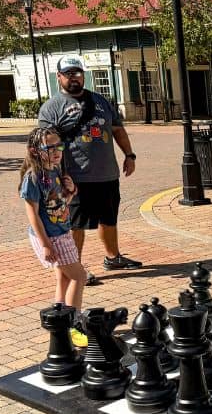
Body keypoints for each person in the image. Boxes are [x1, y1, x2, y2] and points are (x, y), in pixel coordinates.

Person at [39, 55, 141, 285]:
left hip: (107, 174)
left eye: (77, 73)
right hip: (75, 178)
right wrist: (56, 176)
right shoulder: (51, 108)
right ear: (59, 77)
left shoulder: (101, 101)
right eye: (68, 74)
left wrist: (129, 155)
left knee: (109, 218)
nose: (73, 78)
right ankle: (76, 268)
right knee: (75, 224)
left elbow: (118, 130)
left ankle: (113, 257)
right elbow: (46, 145)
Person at [19, 127, 87, 348]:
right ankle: (74, 323)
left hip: (61, 231)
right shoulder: (33, 177)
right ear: (35, 150)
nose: (57, 151)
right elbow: (33, 215)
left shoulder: (55, 170)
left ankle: (59, 318)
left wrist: (70, 192)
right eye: (50, 147)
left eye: (59, 146)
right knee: (79, 276)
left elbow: (58, 205)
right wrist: (46, 244)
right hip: (51, 236)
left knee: (65, 278)